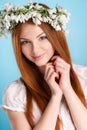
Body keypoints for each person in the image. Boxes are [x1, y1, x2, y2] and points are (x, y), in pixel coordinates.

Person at [1, 2, 87, 130]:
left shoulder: (84, 76)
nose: (35, 50)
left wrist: (67, 89)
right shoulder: (15, 93)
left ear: (55, 37)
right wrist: (56, 96)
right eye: (25, 42)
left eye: (42, 38)